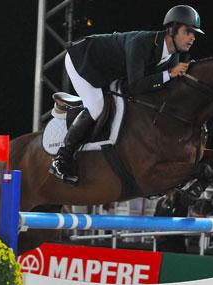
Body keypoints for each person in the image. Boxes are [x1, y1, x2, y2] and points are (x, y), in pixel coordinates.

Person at [49, 5, 204, 184]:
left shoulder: (173, 57)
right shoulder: (142, 43)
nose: (193, 37)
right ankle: (61, 159)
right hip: (84, 60)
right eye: (188, 32)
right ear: (172, 29)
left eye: (195, 34)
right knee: (97, 106)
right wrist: (169, 74)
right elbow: (137, 85)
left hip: (109, 71)